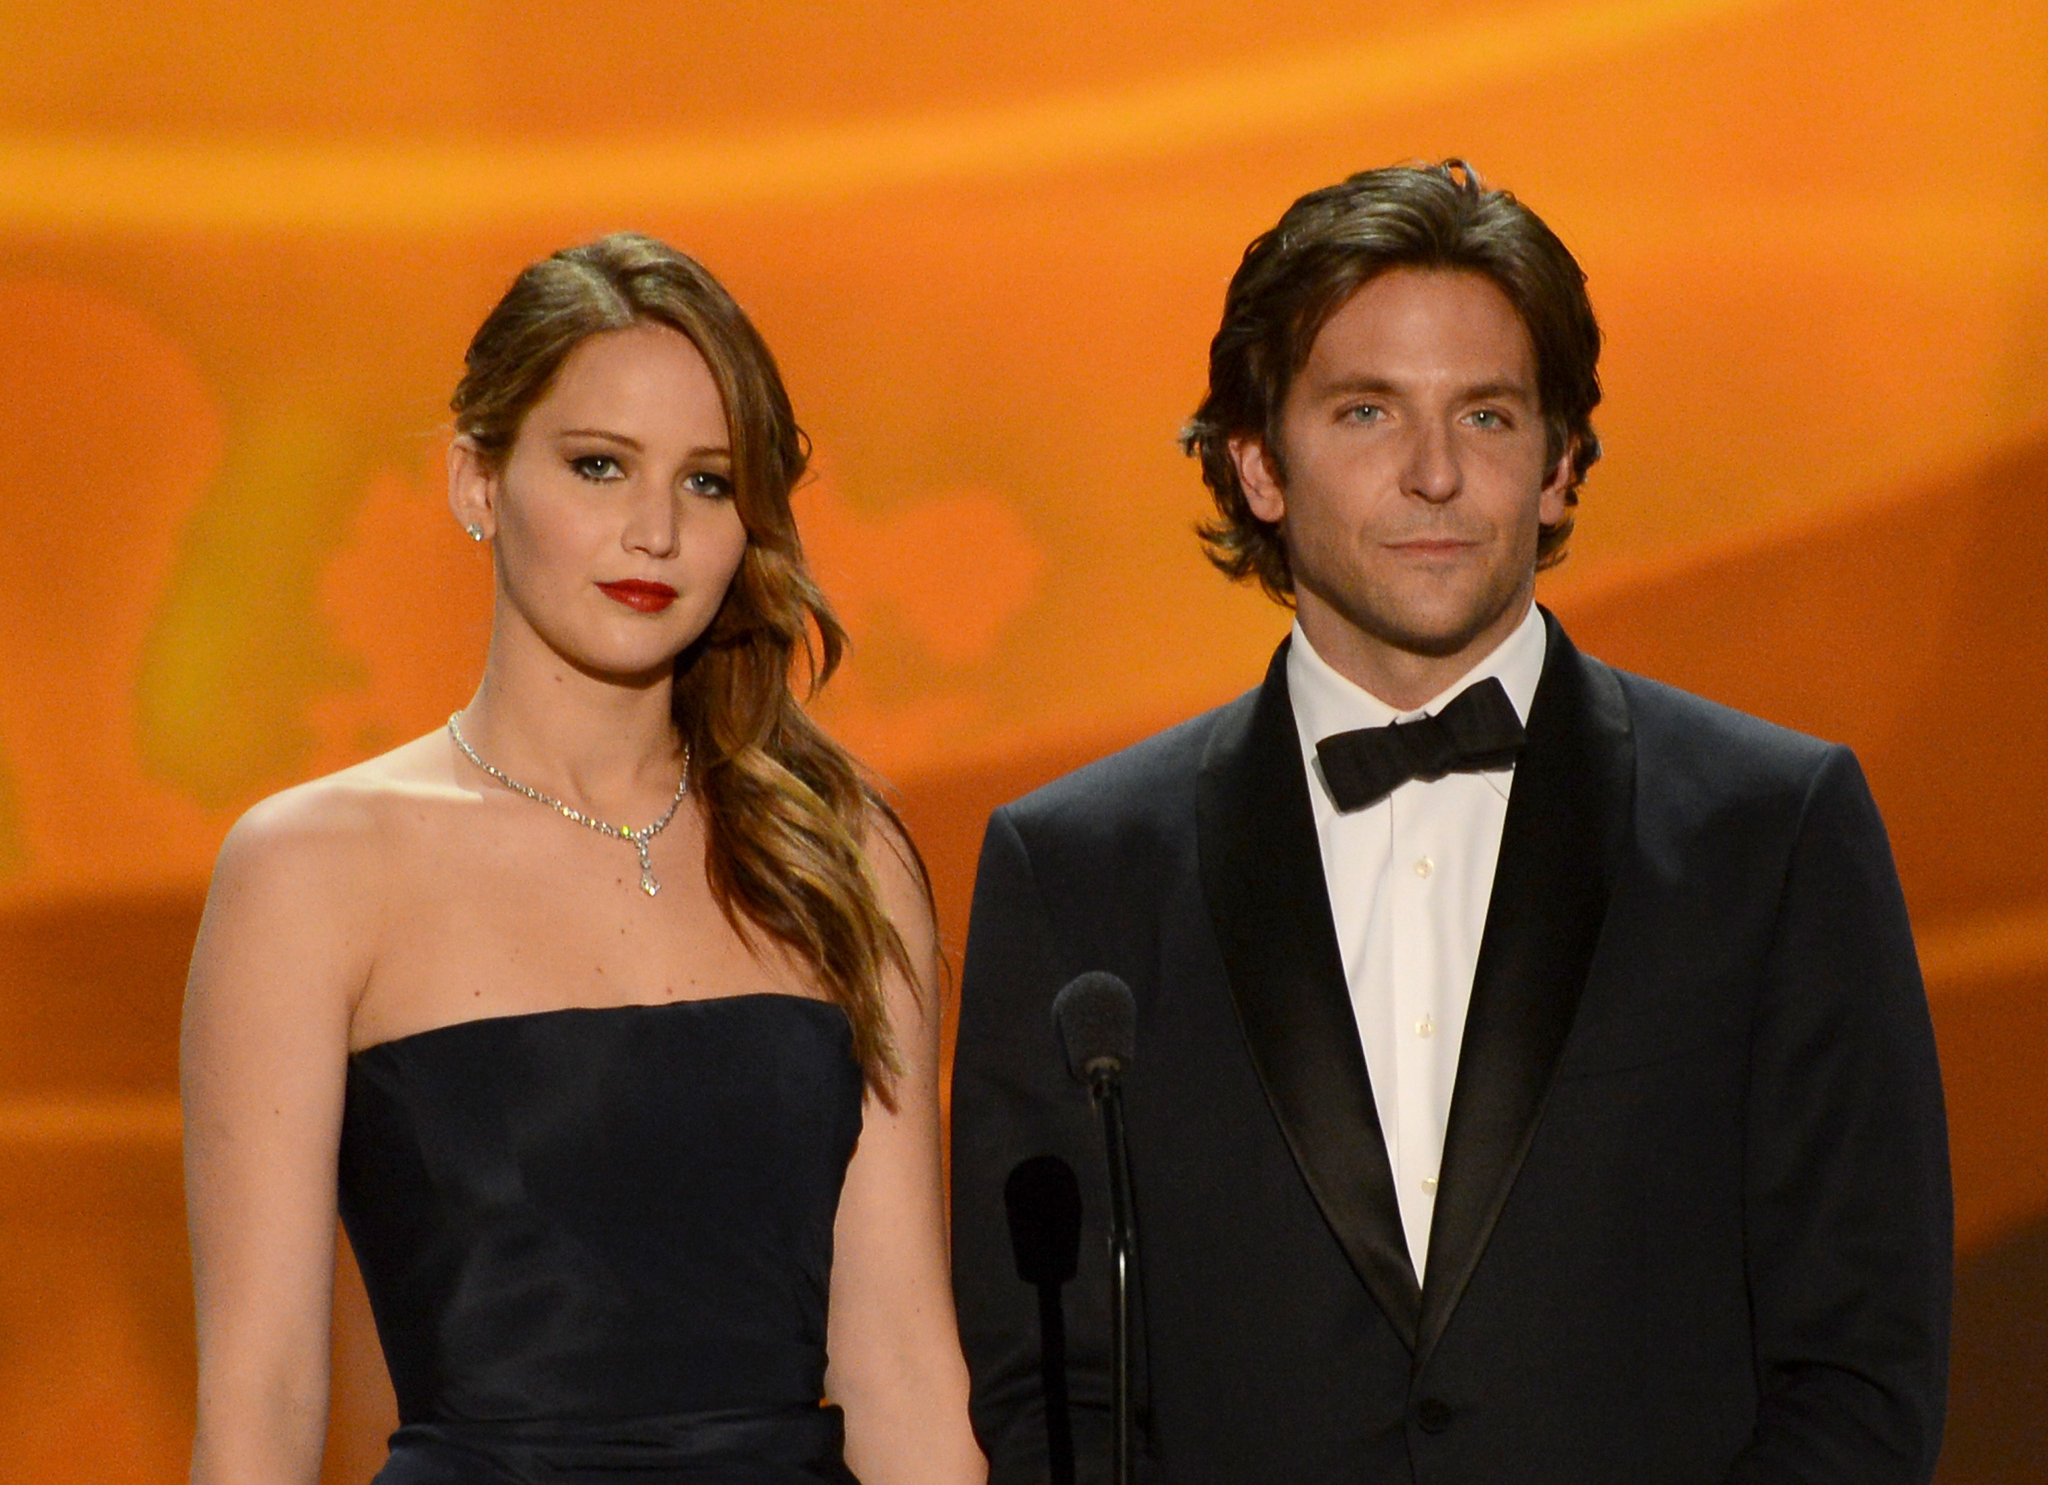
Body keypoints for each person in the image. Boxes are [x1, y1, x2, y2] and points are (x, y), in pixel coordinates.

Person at [949, 162, 1951, 1484]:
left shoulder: (1772, 831)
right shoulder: (1074, 869)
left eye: (1485, 415)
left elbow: (1863, 1361)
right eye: (1366, 410)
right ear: (1255, 461)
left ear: (1559, 461)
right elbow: (1047, 1386)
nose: (1433, 473)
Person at [183, 233, 987, 1485]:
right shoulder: (313, 869)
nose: (654, 530)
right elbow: (263, 1403)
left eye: (709, 482)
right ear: (476, 481)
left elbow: (902, 1366)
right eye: (599, 465)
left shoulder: (836, 851)